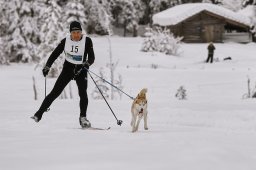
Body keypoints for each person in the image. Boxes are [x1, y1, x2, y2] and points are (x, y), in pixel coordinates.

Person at [31, 21, 95, 128]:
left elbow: (92, 57)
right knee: (55, 92)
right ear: (70, 33)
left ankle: (83, 118)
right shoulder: (66, 41)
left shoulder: (87, 41)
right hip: (68, 69)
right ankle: (38, 114)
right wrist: (47, 66)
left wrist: (87, 64)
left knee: (83, 94)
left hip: (81, 70)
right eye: (74, 32)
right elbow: (55, 53)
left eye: (78, 32)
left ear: (81, 32)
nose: (76, 35)